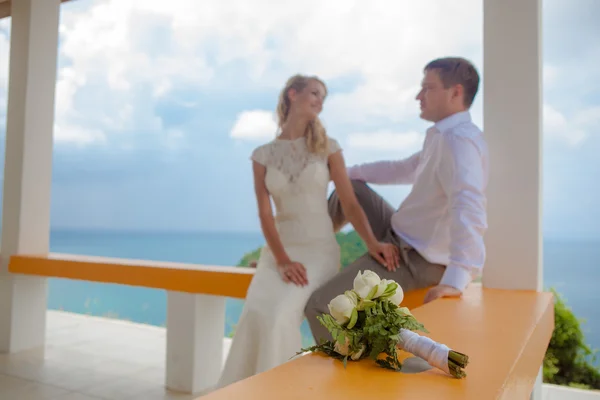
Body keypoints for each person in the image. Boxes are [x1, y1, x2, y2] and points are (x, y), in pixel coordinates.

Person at [216, 74, 398, 389]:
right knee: (255, 315)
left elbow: (350, 204)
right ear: (292, 94)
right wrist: (282, 260)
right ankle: (241, 392)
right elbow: (265, 214)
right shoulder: (262, 155)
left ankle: (277, 392)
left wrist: (372, 242)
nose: (319, 101)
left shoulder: (328, 148)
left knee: (279, 316)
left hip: (318, 251)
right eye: (314, 93)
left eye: (323, 97)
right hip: (279, 254)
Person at [305, 56, 489, 344]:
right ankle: (305, 251)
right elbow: (403, 169)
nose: (418, 96)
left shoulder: (459, 142)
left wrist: (456, 279)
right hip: (399, 230)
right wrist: (339, 172)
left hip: (413, 257)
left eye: (427, 88)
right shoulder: (442, 135)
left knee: (320, 306)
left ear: (455, 93)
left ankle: (350, 380)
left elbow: (468, 206)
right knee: (350, 186)